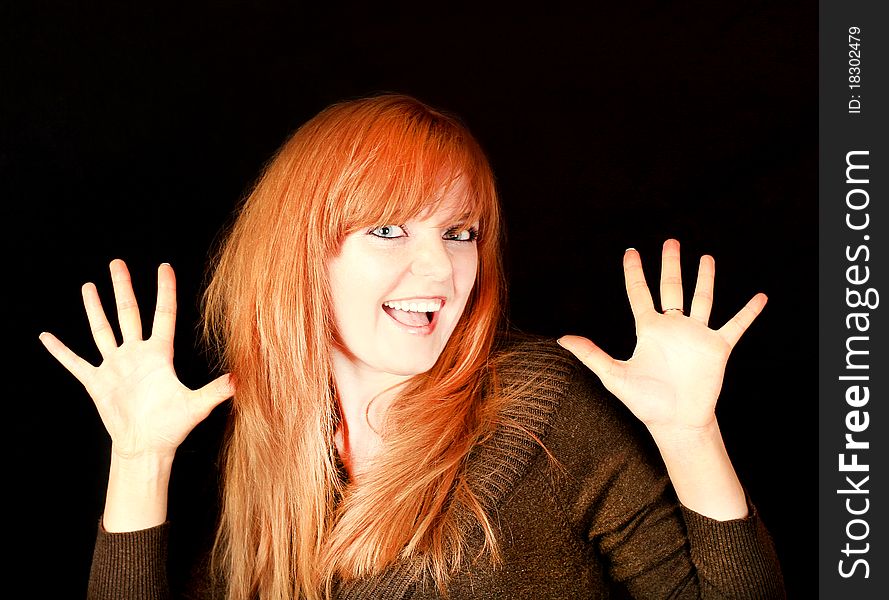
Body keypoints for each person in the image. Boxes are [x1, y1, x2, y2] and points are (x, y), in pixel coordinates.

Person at [40, 94, 785, 599]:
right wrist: (139, 462)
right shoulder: (269, 436)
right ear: (301, 252)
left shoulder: (541, 408)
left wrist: (690, 437)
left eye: (459, 234)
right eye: (389, 229)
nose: (439, 270)